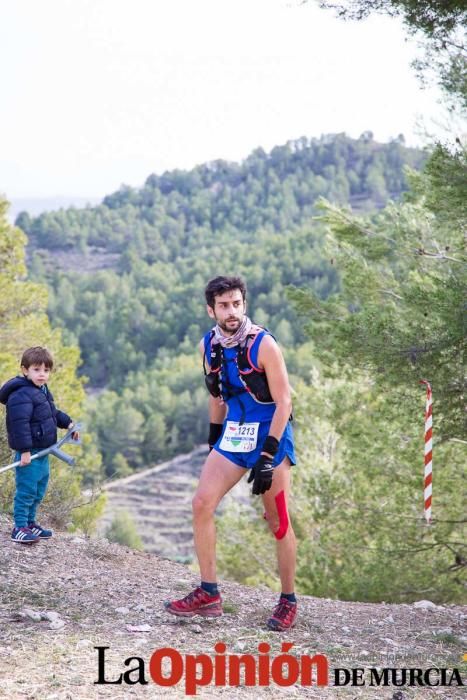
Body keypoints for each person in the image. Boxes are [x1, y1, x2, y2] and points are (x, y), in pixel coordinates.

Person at [166, 276, 297, 631]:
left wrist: (269, 454)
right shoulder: (208, 345)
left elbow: (285, 401)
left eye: (237, 303)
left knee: (277, 521)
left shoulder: (264, 344)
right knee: (201, 503)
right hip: (233, 434)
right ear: (211, 309)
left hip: (270, 433)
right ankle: (209, 592)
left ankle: (288, 600)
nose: (232, 311)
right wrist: (213, 440)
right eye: (224, 305)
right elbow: (216, 393)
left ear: (244, 305)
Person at [0, 346, 79, 544]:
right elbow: (19, 426)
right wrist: (24, 451)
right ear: (25, 370)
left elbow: (51, 413)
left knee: (38, 490)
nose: (42, 374)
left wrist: (68, 423)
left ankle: (30, 523)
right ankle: (19, 527)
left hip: (43, 452)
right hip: (30, 453)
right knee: (26, 490)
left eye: (46, 370)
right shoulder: (20, 395)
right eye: (37, 370)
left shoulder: (41, 390)